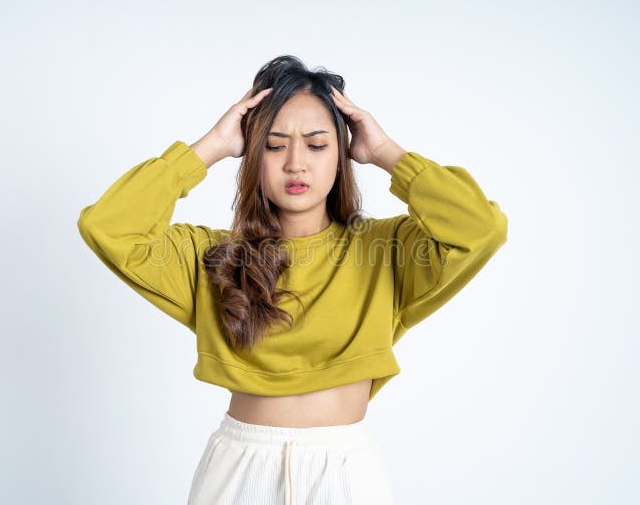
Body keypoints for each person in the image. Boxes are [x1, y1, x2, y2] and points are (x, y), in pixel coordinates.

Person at [77, 55, 508, 504]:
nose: (296, 164)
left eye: (318, 145)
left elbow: (480, 227)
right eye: (275, 145)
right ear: (252, 156)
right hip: (241, 470)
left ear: (341, 158)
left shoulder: (387, 252)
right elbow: (107, 226)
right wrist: (211, 145)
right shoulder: (213, 259)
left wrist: (385, 153)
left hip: (345, 473)